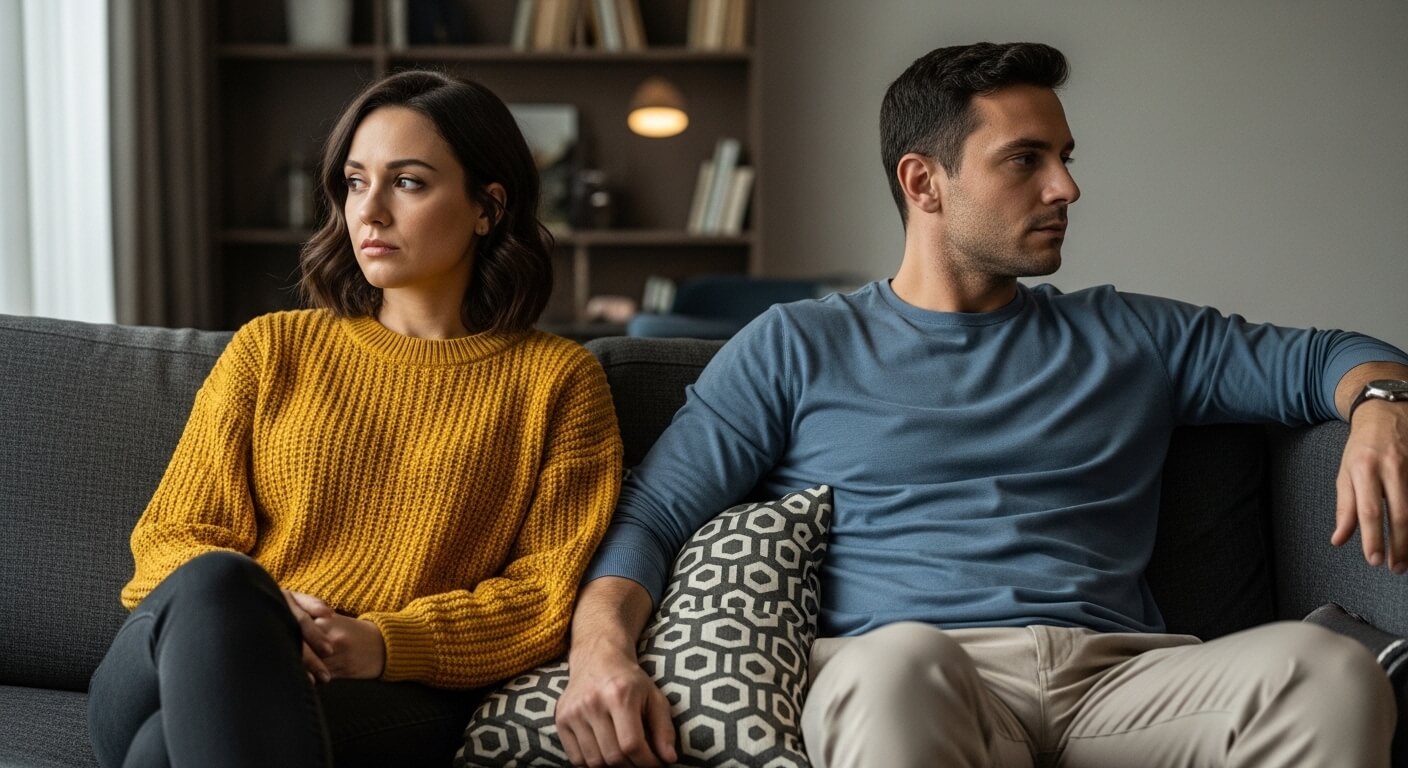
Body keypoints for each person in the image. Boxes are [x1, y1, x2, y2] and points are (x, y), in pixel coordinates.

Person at [555, 42, 1408, 768]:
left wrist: (1379, 406)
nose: (1066, 187)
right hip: (919, 678)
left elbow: (1329, 358)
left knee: (1329, 670)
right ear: (924, 182)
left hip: (1122, 681)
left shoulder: (1131, 335)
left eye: (1066, 157)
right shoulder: (797, 344)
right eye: (1026, 160)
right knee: (895, 667)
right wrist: (599, 654)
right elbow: (654, 513)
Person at [87, 70, 623, 768]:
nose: (368, 212)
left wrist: (385, 642)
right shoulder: (271, 348)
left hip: (379, 690)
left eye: (408, 182)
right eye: (355, 181)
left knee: (164, 749)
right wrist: (267, 614)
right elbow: (171, 535)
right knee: (220, 585)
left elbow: (541, 595)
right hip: (180, 650)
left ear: (488, 207)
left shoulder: (558, 383)